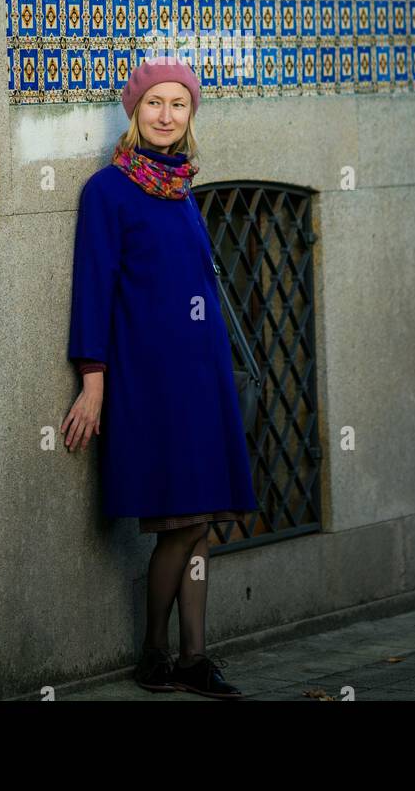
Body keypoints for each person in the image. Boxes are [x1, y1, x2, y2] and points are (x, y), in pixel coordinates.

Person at [61, 56, 259, 699]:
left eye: (178, 104)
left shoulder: (183, 189)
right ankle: (154, 653)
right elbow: (93, 291)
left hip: (200, 380)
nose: (166, 115)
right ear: (133, 111)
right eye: (154, 103)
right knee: (179, 522)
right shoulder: (108, 192)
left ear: (190, 114)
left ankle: (195, 656)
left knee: (200, 523)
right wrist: (94, 380)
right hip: (151, 384)